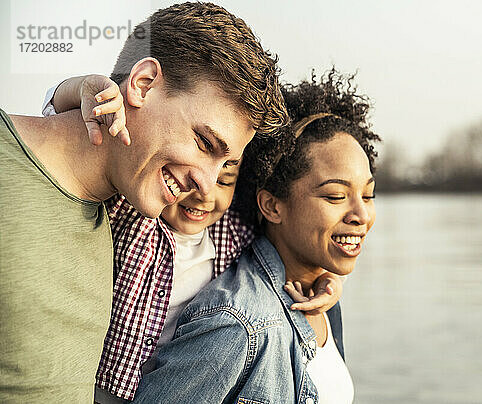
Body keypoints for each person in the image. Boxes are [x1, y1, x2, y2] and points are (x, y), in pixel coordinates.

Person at [0, 2, 287, 402]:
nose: (206, 185)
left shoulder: (127, 209)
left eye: (226, 165)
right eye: (204, 143)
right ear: (143, 84)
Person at [40, 73, 341, 403]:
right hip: (92, 390)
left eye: (225, 181)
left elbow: (286, 246)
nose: (204, 192)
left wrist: (325, 279)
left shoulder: (232, 229)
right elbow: (60, 122)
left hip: (172, 384)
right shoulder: (134, 214)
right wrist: (82, 89)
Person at [132, 71, 380, 404]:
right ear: (272, 206)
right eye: (335, 196)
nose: (361, 215)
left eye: (368, 195)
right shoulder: (236, 324)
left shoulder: (321, 295)